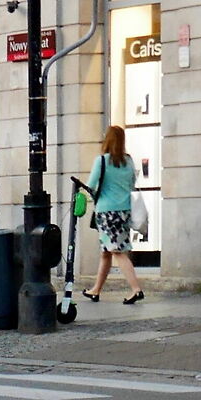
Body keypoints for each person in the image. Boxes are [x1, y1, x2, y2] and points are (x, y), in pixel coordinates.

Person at [83, 126, 146, 305]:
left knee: (117, 252)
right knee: (106, 252)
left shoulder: (101, 161)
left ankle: (136, 289)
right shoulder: (128, 161)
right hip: (125, 211)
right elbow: (133, 183)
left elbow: (91, 185)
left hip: (107, 212)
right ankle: (96, 289)